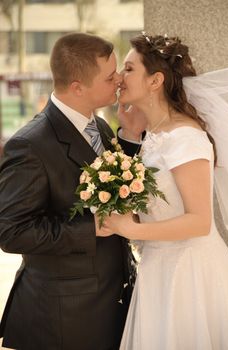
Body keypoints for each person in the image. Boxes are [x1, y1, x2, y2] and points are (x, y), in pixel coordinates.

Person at [97, 33, 228, 349]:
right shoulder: (154, 134)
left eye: (130, 69)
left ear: (155, 81)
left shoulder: (185, 137)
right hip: (158, 269)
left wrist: (128, 228)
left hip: (190, 276)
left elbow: (199, 222)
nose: (120, 77)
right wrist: (131, 133)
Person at [0, 33, 142, 350]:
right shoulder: (30, 145)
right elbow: (10, 231)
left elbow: (114, 189)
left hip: (108, 305)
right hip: (64, 318)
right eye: (110, 77)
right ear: (77, 87)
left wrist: (130, 137)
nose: (119, 79)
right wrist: (90, 228)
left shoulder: (100, 127)